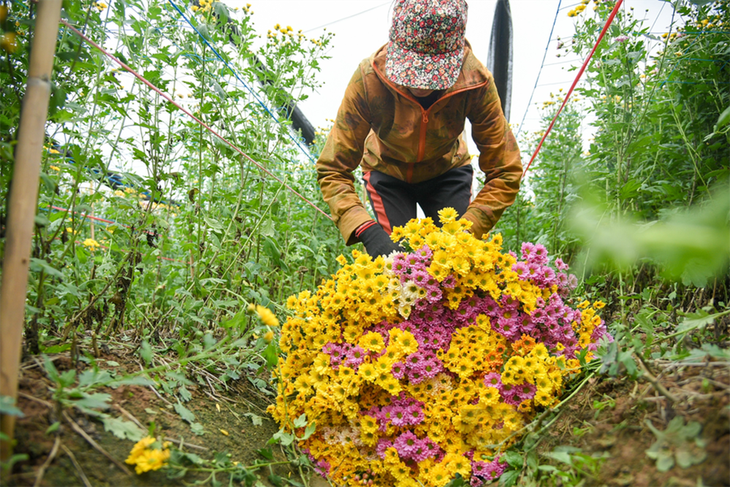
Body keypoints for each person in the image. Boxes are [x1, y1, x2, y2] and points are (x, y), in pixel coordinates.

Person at [316, 0, 522, 258]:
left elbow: (506, 170)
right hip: (387, 173)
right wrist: (364, 228)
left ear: (454, 60)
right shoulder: (369, 79)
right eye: (411, 72)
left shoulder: (475, 83)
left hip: (448, 170)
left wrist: (470, 228)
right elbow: (332, 168)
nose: (421, 86)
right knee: (399, 264)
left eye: (434, 75)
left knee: (457, 262)